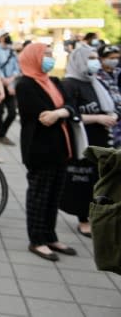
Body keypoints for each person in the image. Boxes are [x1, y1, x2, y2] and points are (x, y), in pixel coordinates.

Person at [15, 43, 79, 261]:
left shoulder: (54, 82)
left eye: (51, 55)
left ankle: (50, 236)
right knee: (39, 196)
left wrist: (61, 112)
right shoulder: (25, 85)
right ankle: (37, 240)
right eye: (46, 55)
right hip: (40, 149)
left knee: (54, 196)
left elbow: (72, 106)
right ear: (34, 57)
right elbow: (42, 116)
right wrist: (63, 112)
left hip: (62, 147)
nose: (50, 59)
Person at [61, 45, 119, 238]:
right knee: (84, 183)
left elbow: (105, 106)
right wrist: (98, 119)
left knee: (100, 182)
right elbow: (70, 114)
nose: (95, 62)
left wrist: (109, 116)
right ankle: (83, 219)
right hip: (83, 142)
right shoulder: (70, 84)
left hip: (102, 141)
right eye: (91, 58)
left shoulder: (94, 82)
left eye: (95, 58)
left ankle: (98, 217)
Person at [0, 32, 20, 146]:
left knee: (12, 112)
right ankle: (1, 136)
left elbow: (17, 68)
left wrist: (11, 80)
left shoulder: (12, 51)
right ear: (0, 38)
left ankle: (2, 133)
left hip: (10, 84)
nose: (7, 38)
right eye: (4, 35)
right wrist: (3, 81)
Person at [96, 44, 121, 148]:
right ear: (101, 58)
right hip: (107, 118)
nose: (115, 61)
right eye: (111, 58)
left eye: (117, 58)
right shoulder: (96, 76)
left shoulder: (118, 72)